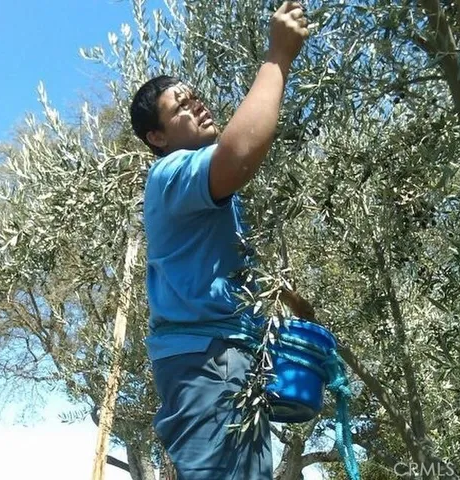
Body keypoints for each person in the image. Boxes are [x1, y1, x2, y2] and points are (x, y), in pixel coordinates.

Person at [130, 2, 311, 479]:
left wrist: (288, 301)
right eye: (179, 107)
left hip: (219, 358)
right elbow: (239, 155)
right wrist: (276, 58)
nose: (196, 105)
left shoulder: (198, 194)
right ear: (156, 136)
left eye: (195, 97)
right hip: (207, 360)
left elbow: (222, 269)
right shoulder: (172, 173)